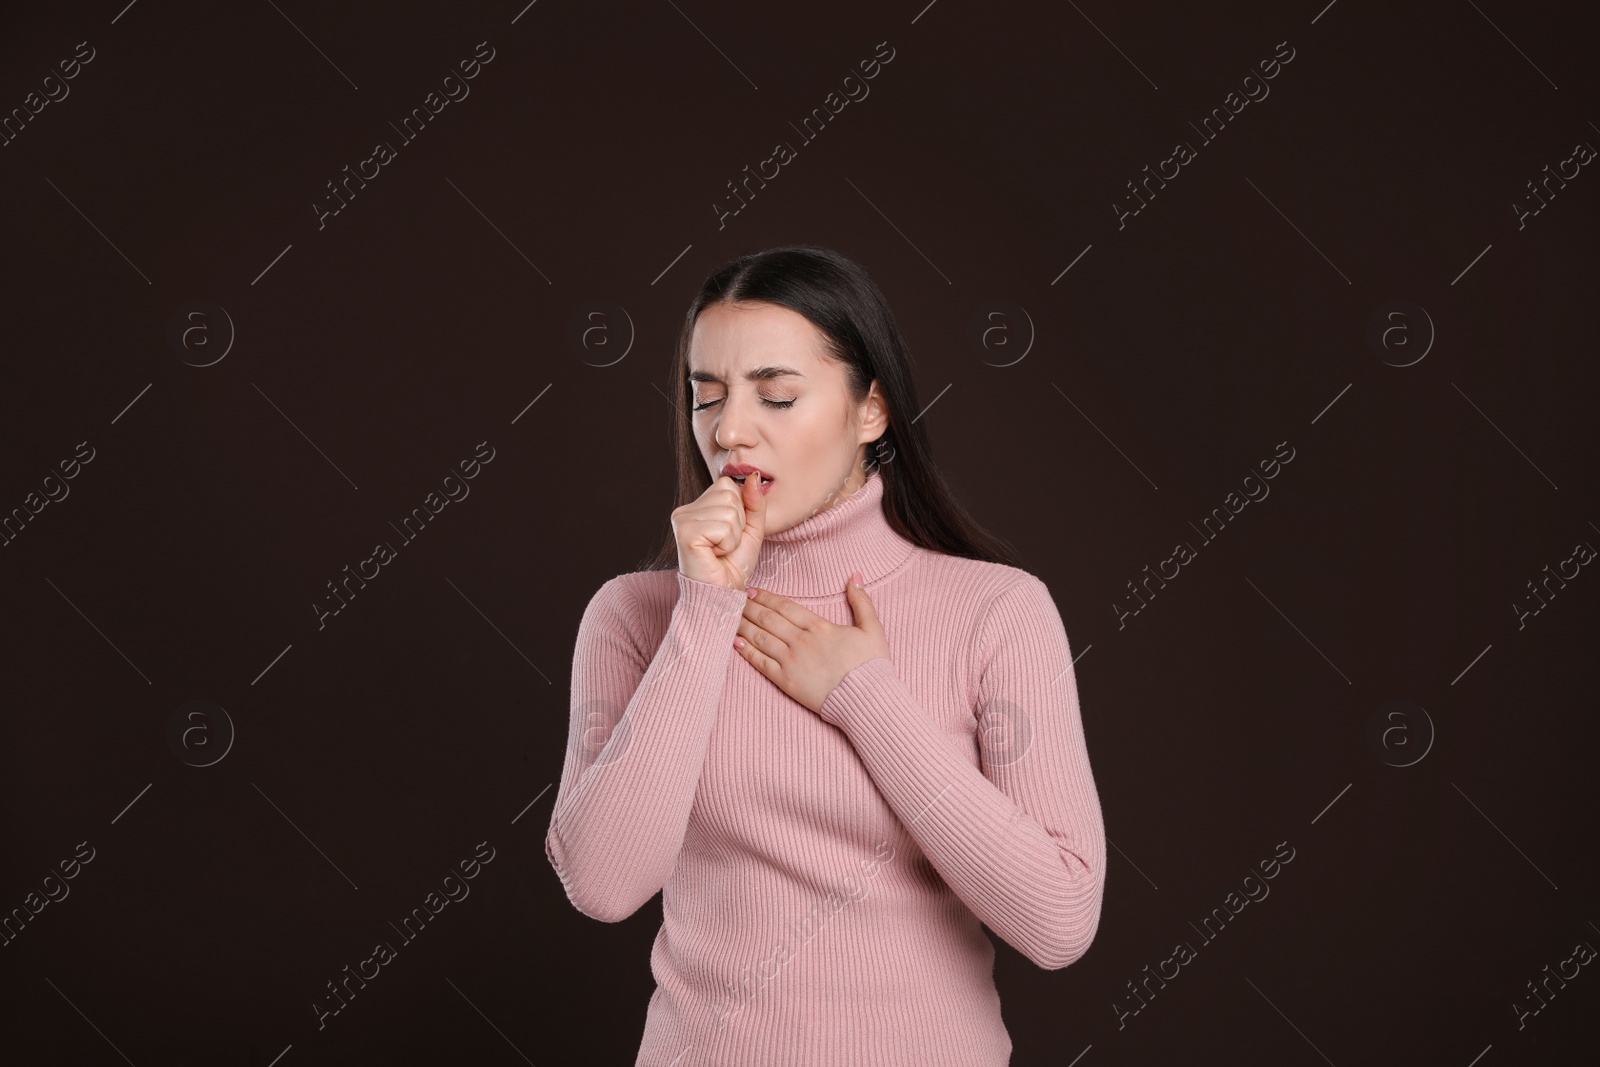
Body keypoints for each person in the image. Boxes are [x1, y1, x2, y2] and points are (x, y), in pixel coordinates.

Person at [544, 245, 1106, 1065]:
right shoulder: (635, 615)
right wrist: (706, 609)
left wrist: (863, 695)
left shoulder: (998, 612)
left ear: (870, 409)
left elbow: (1058, 920)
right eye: (707, 397)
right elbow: (601, 883)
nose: (730, 429)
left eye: (776, 395)